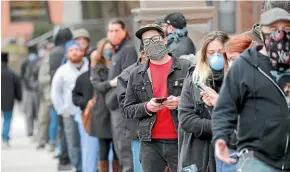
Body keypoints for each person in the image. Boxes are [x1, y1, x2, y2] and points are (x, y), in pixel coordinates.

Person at [212, 8, 290, 171]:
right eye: (274, 30)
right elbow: (225, 108)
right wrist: (221, 138)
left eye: (287, 29)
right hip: (258, 158)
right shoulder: (244, 65)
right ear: (262, 33)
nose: (281, 34)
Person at [123, 23, 192, 172]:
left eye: (155, 39)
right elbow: (127, 109)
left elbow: (199, 100)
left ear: (165, 39)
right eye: (146, 42)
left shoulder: (186, 67)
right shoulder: (136, 74)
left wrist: (180, 102)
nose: (151, 44)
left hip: (180, 140)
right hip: (150, 143)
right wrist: (147, 107)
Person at [178, 31, 229, 172]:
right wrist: (218, 126)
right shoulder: (194, 79)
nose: (216, 56)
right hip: (198, 153)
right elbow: (186, 119)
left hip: (229, 152)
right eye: (211, 52)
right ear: (204, 55)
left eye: (220, 52)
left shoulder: (238, 79)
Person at [51, 40, 89, 172]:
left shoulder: (90, 67)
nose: (74, 52)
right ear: (67, 54)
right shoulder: (62, 71)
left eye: (77, 49)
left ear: (82, 51)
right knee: (73, 143)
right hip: (70, 113)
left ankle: (88, 167)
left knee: (88, 143)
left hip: (88, 112)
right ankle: (79, 167)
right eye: (71, 50)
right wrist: (62, 110)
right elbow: (55, 92)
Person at [105, 19, 138, 172]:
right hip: (114, 107)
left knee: (124, 148)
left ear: (124, 31)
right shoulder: (117, 50)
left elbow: (126, 79)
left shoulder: (128, 49)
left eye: (116, 30)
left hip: (121, 107)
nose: (112, 34)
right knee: (119, 146)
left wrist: (112, 99)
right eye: (110, 31)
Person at [90, 38, 119, 172]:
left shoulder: (116, 64)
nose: (108, 52)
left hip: (115, 109)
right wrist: (110, 83)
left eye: (110, 49)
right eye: (105, 49)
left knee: (117, 149)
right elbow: (97, 85)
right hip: (101, 112)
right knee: (103, 148)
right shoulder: (98, 68)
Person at [117, 43, 147, 172]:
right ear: (142, 53)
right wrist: (148, 106)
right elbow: (126, 107)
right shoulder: (127, 75)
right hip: (140, 134)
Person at [49, 27, 72, 169]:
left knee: (61, 126)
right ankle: (65, 157)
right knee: (66, 128)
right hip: (66, 94)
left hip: (57, 93)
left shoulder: (54, 52)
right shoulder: (65, 51)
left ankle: (63, 155)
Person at [72, 47, 98, 172]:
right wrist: (85, 103)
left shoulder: (109, 75)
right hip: (87, 117)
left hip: (106, 118)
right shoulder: (82, 78)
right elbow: (75, 96)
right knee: (89, 151)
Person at [1, 52, 22, 147]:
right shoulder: (12, 73)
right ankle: (5, 137)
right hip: (8, 100)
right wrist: (19, 98)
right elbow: (18, 86)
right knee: (7, 119)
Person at [36, 42, 54, 149]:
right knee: (43, 119)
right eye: (49, 49)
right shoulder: (45, 62)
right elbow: (41, 78)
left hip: (57, 96)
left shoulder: (60, 59)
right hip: (46, 96)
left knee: (55, 122)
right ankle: (41, 141)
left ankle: (53, 141)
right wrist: (52, 77)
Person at [23, 52, 41, 137]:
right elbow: (24, 77)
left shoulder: (39, 62)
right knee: (29, 112)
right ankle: (30, 131)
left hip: (36, 90)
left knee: (37, 112)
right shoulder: (25, 62)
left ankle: (37, 131)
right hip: (29, 91)